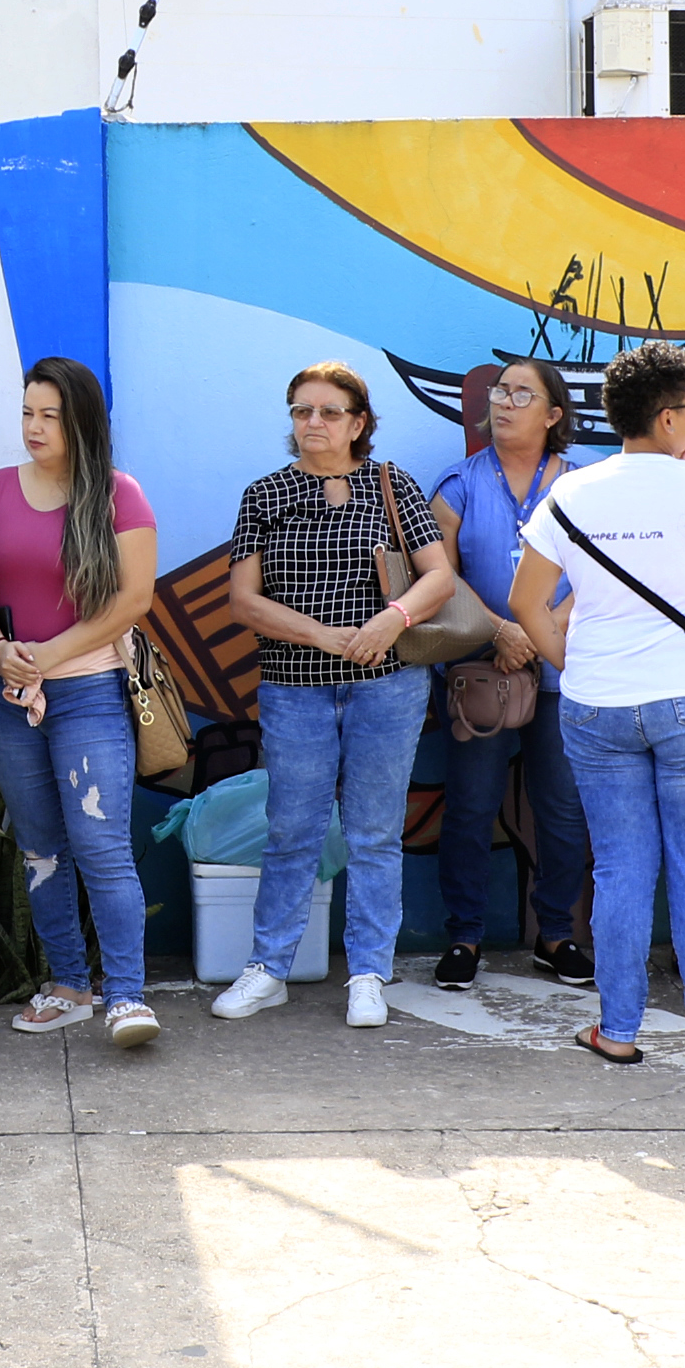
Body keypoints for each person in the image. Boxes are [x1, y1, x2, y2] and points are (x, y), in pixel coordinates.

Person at [513, 340, 685, 1072]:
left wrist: (580, 665)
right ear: (666, 417)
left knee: (620, 871)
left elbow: (527, 604)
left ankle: (617, 1030)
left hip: (596, 706)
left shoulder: (572, 492)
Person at [213, 360, 459, 1030]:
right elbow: (243, 601)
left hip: (388, 686)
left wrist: (391, 620)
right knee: (292, 830)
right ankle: (269, 968)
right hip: (295, 688)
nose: (312, 423)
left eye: (327, 412)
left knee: (376, 833)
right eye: (301, 411)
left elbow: (438, 578)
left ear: (359, 423)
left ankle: (368, 974)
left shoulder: (393, 485)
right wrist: (326, 636)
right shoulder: (264, 494)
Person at [0, 355, 163, 1047]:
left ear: (81, 421)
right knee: (41, 847)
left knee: (101, 845)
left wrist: (50, 655)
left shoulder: (117, 494)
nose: (34, 427)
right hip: (10, 693)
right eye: (27, 412)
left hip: (91, 694)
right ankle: (69, 986)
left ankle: (128, 997)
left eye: (50, 415)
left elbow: (133, 600)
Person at [425, 360, 592, 989]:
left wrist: (541, 629)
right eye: (500, 392)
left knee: (562, 807)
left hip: (561, 668)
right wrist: (504, 630)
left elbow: (597, 575)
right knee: (469, 806)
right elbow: (438, 575)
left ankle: (556, 934)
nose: (505, 403)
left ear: (553, 415)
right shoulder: (458, 484)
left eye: (523, 394)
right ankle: (464, 936)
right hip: (479, 670)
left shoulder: (579, 488)